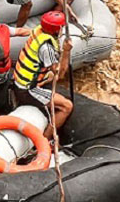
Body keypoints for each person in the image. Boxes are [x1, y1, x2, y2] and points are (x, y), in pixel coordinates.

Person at [10, 10, 73, 139]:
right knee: (67, 106)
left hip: (22, 78)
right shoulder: (46, 47)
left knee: (49, 76)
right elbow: (60, 74)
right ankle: (46, 138)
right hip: (28, 89)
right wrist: (66, 52)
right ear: (56, 30)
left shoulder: (39, 30)